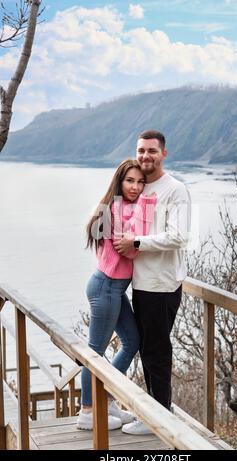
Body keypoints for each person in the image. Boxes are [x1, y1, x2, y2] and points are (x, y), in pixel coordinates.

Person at [113, 130, 191, 435]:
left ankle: (159, 417)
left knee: (156, 351)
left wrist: (137, 242)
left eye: (152, 151)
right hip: (141, 283)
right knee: (146, 348)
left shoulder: (175, 189)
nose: (145, 156)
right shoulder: (139, 186)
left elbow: (178, 236)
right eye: (141, 150)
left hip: (162, 285)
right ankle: (156, 411)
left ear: (164, 154)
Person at [77, 159, 157, 431]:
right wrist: (147, 206)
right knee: (95, 352)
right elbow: (131, 249)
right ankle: (87, 410)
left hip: (115, 288)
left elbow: (138, 240)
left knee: (132, 341)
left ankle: (106, 400)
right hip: (105, 287)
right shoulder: (114, 209)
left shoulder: (126, 207)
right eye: (130, 181)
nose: (135, 187)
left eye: (140, 182)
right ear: (119, 182)